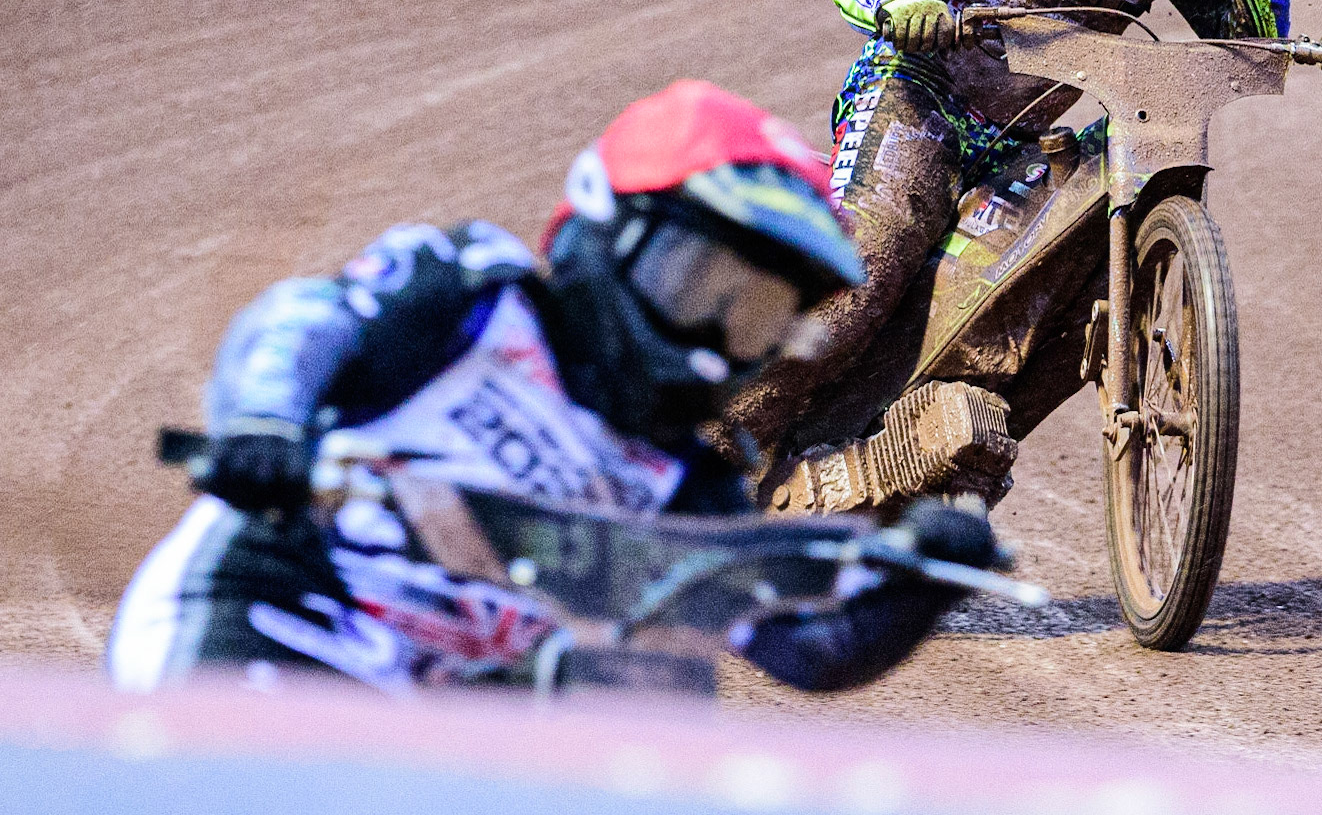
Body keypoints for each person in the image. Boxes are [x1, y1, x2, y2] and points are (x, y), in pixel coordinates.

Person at [107, 80, 998, 694]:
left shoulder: (689, 485)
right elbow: (305, 320)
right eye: (698, 287)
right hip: (267, 625)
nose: (713, 341)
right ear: (608, 224)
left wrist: (922, 575)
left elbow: (806, 649)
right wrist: (267, 419)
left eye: (753, 317)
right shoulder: (478, 291)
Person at [728, 0, 1291, 499]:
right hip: (917, 98)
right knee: (874, 253)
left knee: (1078, 274)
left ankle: (918, 457)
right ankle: (712, 457)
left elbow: (1248, 47)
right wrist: (896, 4)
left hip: (1028, 140)